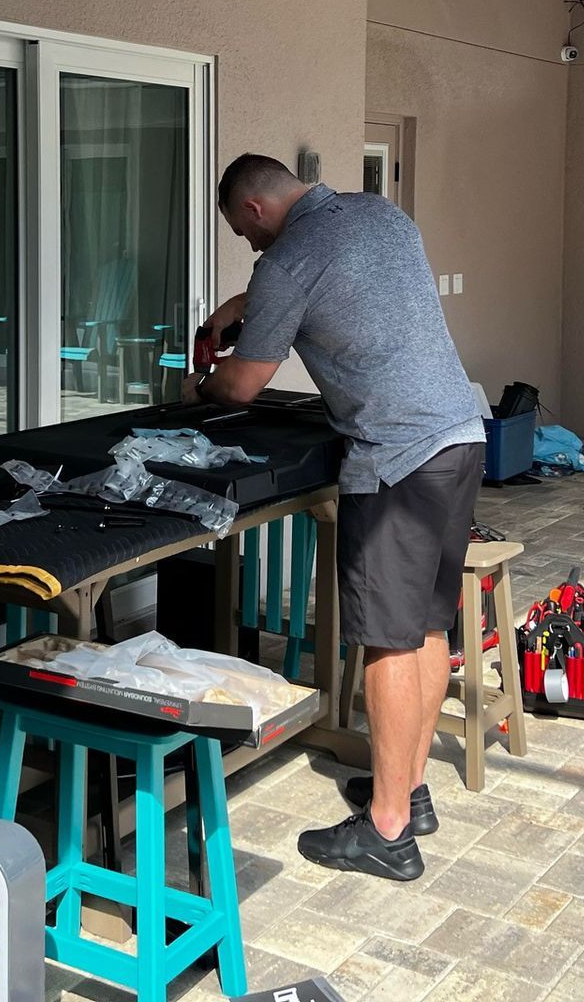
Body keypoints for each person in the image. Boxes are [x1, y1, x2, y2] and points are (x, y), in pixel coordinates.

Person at [184, 153, 484, 882]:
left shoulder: (287, 260)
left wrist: (198, 386)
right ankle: (408, 792)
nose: (252, 247)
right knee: (426, 628)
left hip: (397, 459)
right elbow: (332, 286)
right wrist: (236, 310)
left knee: (385, 641)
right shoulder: (379, 214)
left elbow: (242, 386)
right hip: (458, 437)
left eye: (244, 234)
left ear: (254, 211)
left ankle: (386, 831)